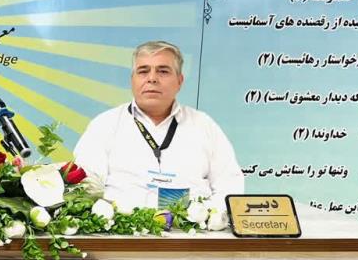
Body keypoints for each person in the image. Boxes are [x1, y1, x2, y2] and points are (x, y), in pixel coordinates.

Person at [73, 40, 243, 210]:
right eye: (143, 71)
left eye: (163, 71)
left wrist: (207, 217)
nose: (152, 78)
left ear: (179, 81)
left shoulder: (203, 125)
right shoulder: (104, 125)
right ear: (132, 80)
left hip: (192, 226)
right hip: (121, 225)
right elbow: (86, 187)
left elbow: (230, 186)